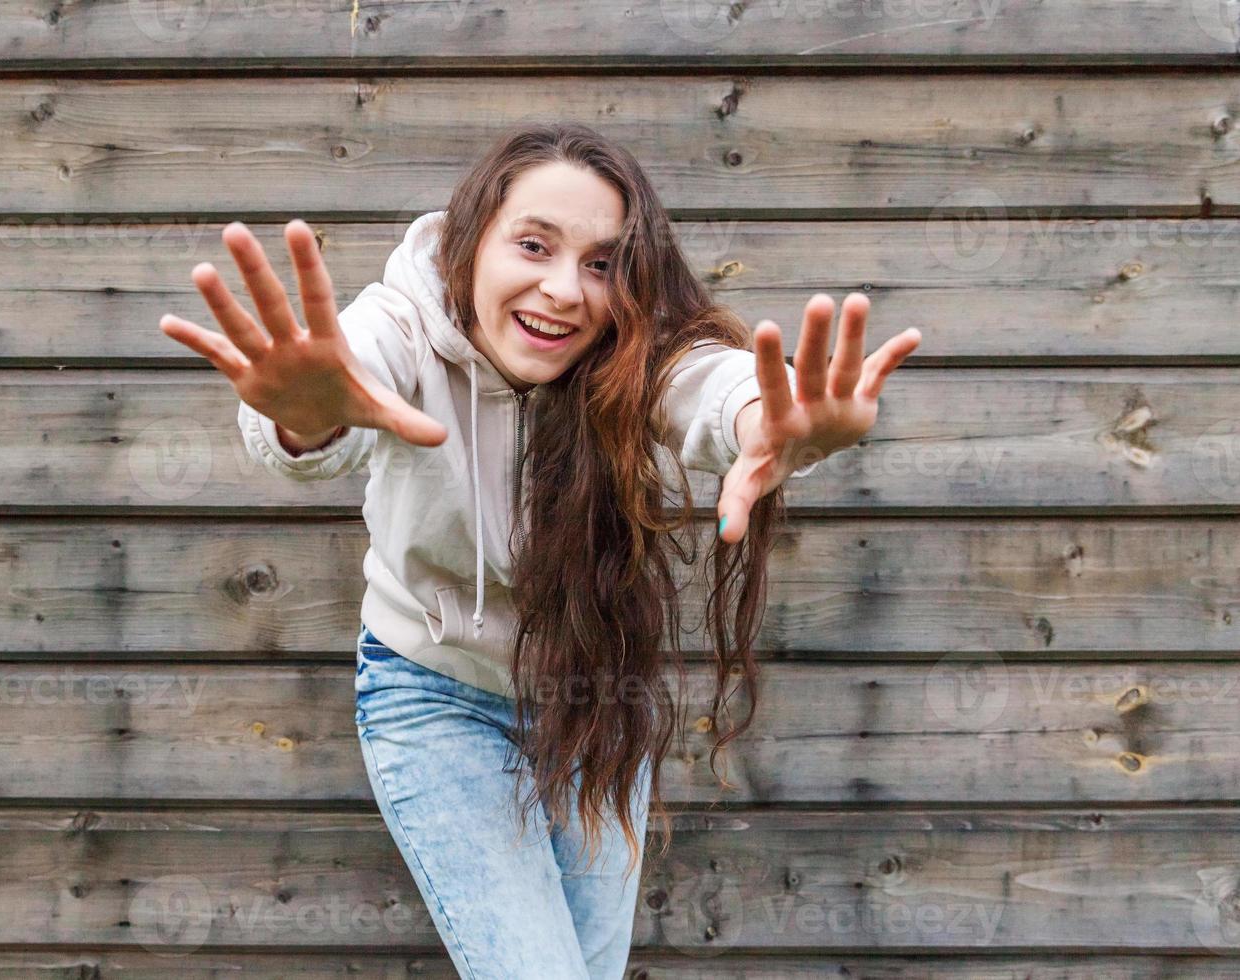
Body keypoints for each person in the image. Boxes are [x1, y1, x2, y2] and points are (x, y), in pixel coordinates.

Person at [158, 122, 920, 979]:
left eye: (600, 264)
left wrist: (765, 418)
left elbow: (707, 382)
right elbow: (344, 381)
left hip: (593, 701)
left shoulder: (631, 346)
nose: (564, 290)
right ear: (473, 238)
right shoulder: (406, 320)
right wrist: (305, 411)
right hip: (435, 700)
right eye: (533, 245)